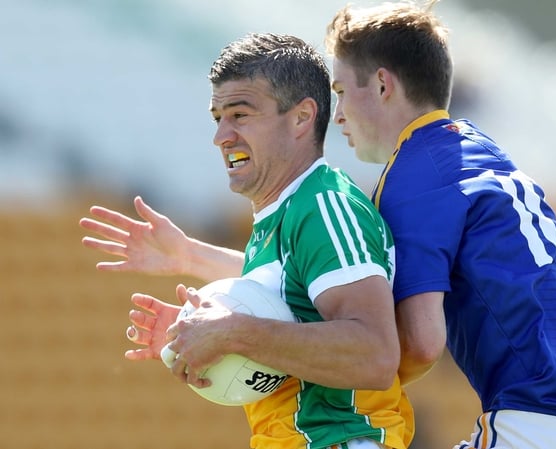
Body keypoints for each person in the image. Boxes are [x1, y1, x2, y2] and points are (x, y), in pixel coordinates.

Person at [323, 1, 556, 449]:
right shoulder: (477, 146)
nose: (336, 113)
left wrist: (331, 379)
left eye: (340, 90)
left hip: (548, 419)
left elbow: (420, 343)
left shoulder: (410, 175)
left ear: (381, 85)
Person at [81, 32, 412, 449]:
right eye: (217, 117)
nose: (221, 136)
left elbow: (376, 355)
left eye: (240, 114)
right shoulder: (285, 214)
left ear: (301, 118)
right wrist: (197, 322)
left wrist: (235, 333)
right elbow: (289, 295)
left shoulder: (326, 207)